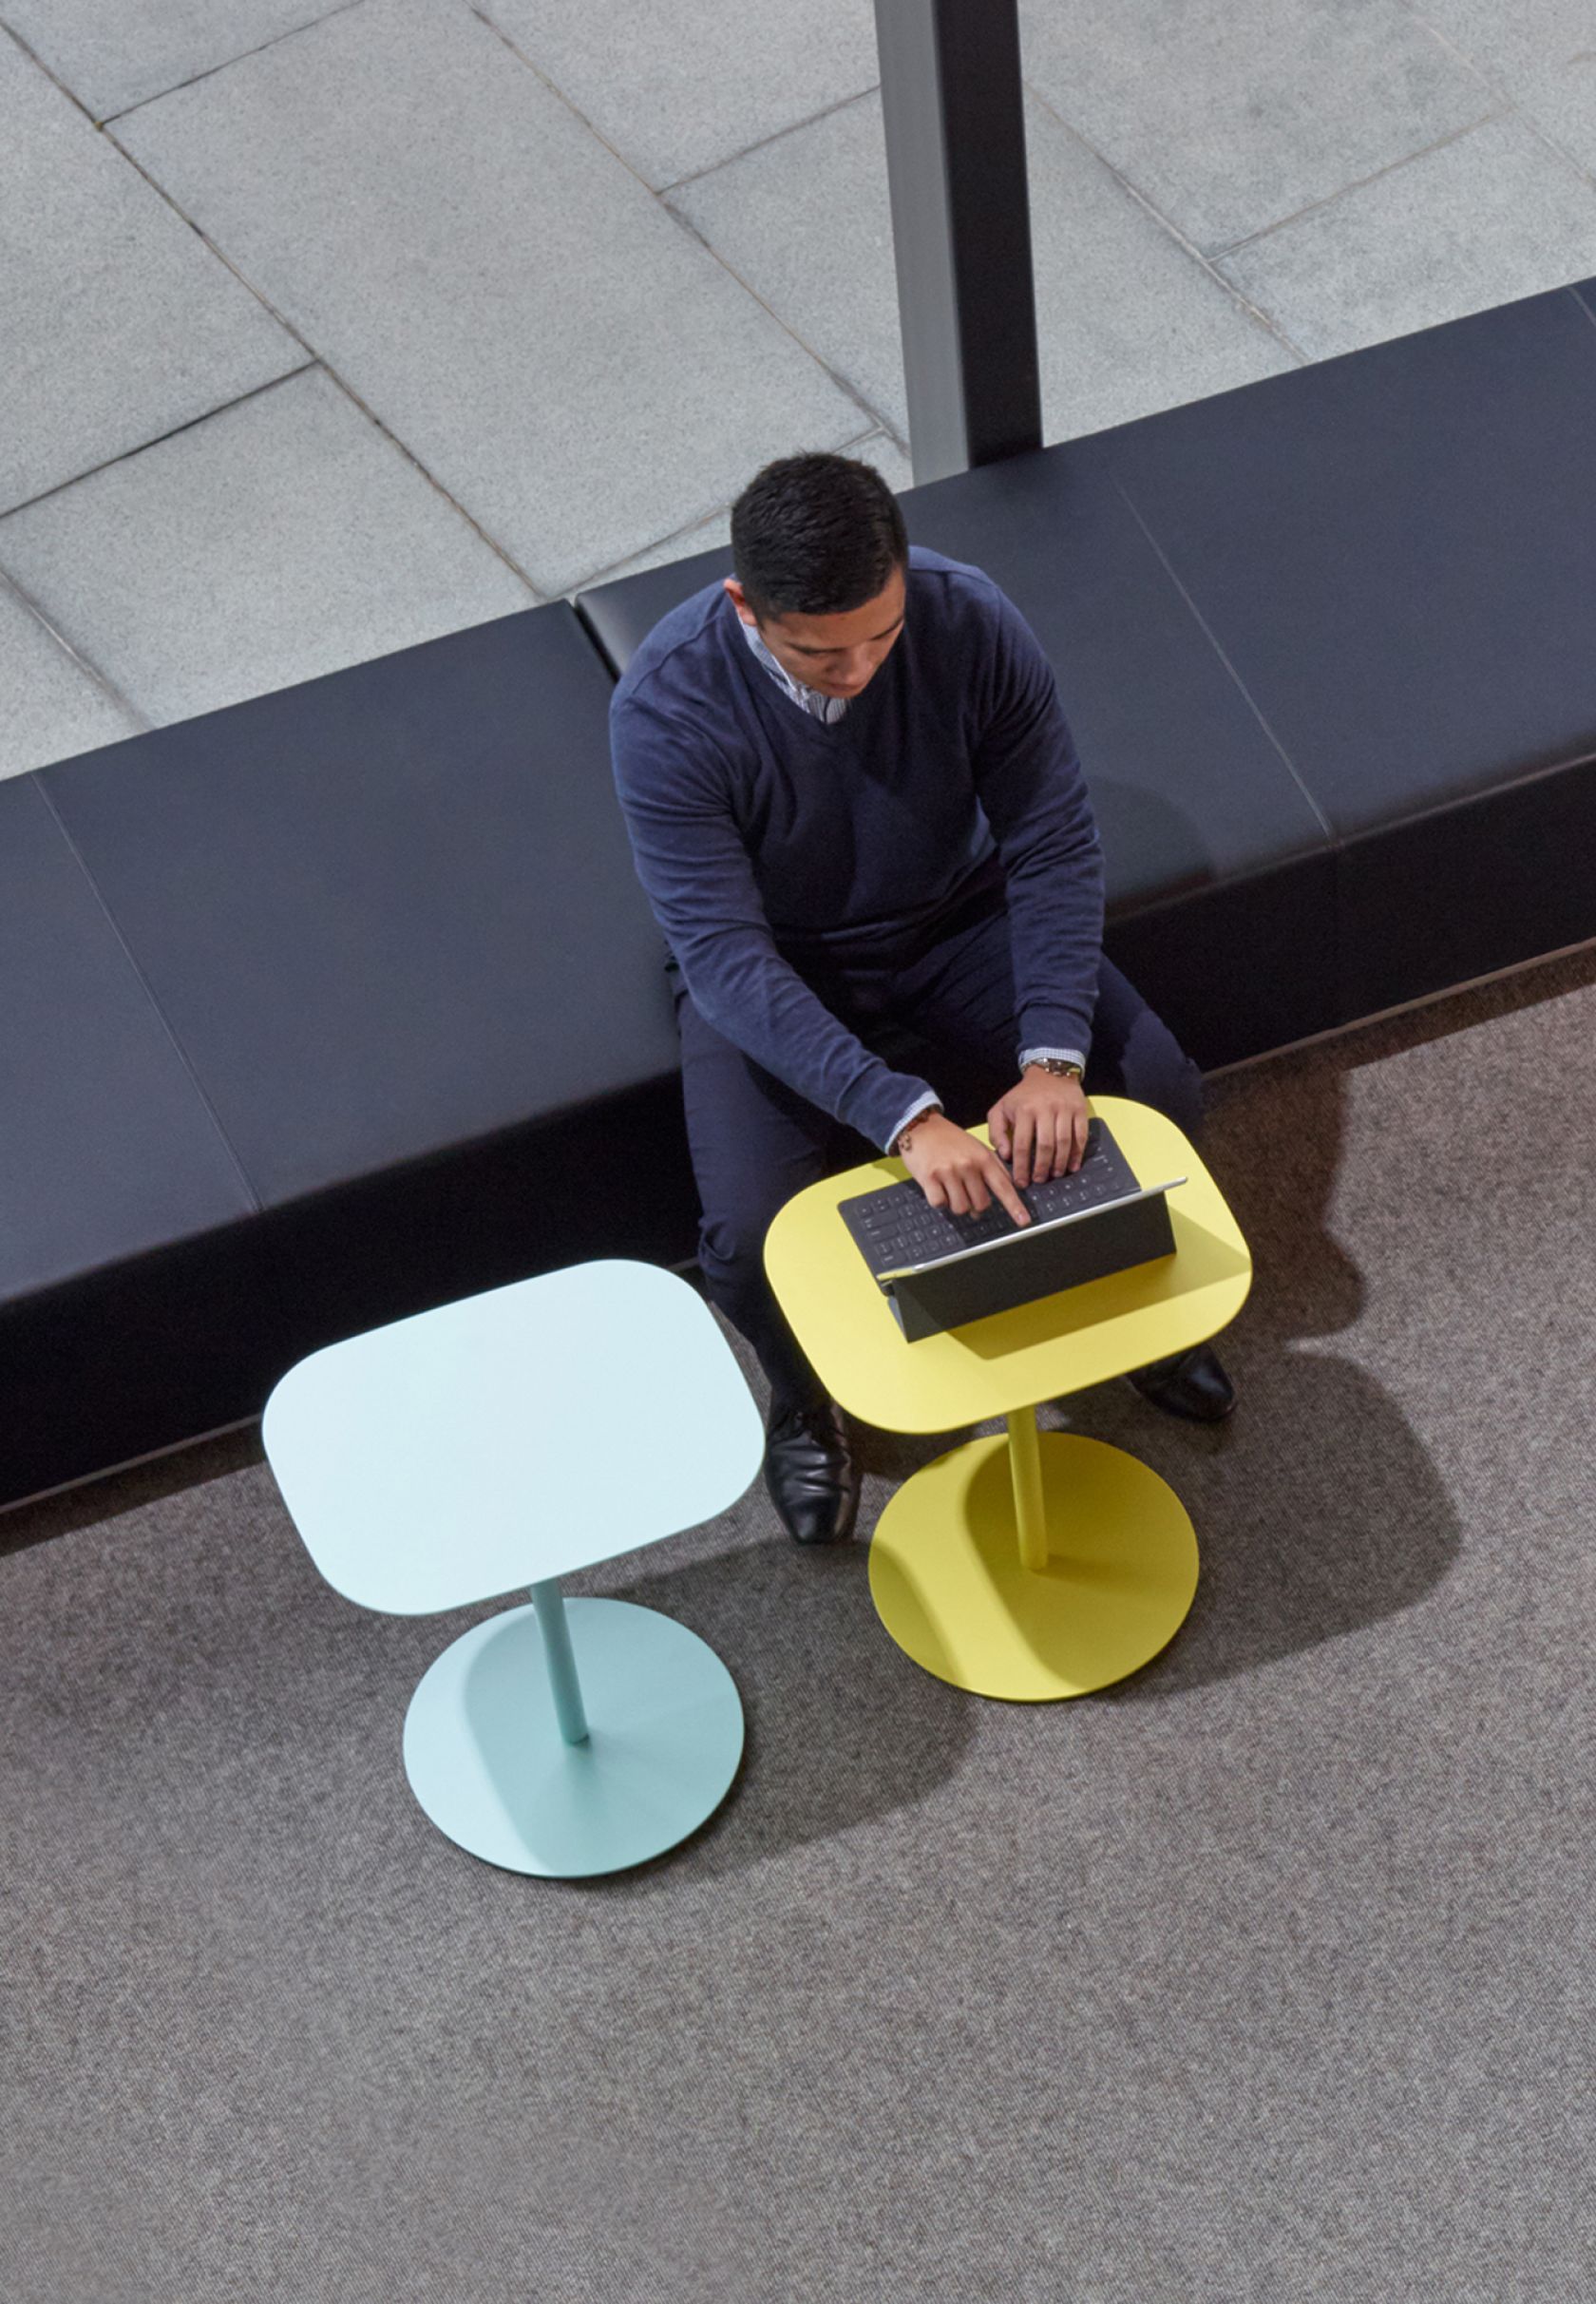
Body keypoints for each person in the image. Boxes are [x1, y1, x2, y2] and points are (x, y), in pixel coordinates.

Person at [610, 451, 1234, 1545]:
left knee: (1159, 1089)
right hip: (779, 966)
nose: (857, 668)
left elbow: (1048, 839)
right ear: (745, 606)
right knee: (749, 1236)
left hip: (957, 920)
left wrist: (1052, 1056)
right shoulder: (666, 707)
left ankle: (1138, 1317)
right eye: (820, 649)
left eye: (881, 636)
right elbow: (722, 954)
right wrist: (903, 1114)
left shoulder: (969, 618)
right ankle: (804, 1398)